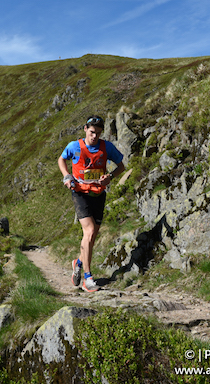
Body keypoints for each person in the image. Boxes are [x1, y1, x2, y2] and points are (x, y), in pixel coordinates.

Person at [57, 116, 125, 292]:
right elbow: (61, 159)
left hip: (98, 194)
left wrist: (110, 176)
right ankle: (88, 278)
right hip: (80, 192)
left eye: (98, 133)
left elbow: (121, 166)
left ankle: (78, 262)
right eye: (92, 131)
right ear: (85, 129)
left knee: (92, 238)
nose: (94, 136)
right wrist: (66, 176)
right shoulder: (74, 146)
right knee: (89, 231)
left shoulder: (106, 147)